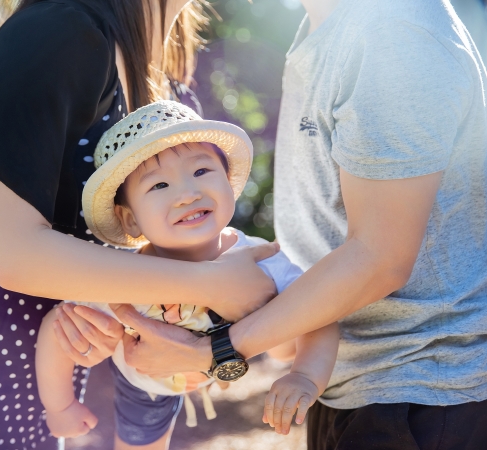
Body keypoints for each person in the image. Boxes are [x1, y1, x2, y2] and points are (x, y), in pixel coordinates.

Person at [57, 0, 487, 447]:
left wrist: (217, 351)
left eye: (202, 171)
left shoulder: (392, 31)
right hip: (353, 387)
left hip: (419, 392)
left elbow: (380, 258)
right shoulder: (320, 32)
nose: (185, 192)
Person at [0, 0, 282, 449]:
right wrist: (208, 284)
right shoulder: (57, 28)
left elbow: (139, 294)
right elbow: (18, 256)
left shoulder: (164, 83)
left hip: (40, 397)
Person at [35, 100, 339, 449]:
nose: (187, 194)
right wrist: (59, 405)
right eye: (159, 186)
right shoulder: (124, 277)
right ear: (131, 219)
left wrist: (304, 376)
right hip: (145, 381)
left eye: (201, 172)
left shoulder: (259, 258)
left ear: (228, 180)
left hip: (218, 360)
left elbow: (318, 314)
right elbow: (59, 324)